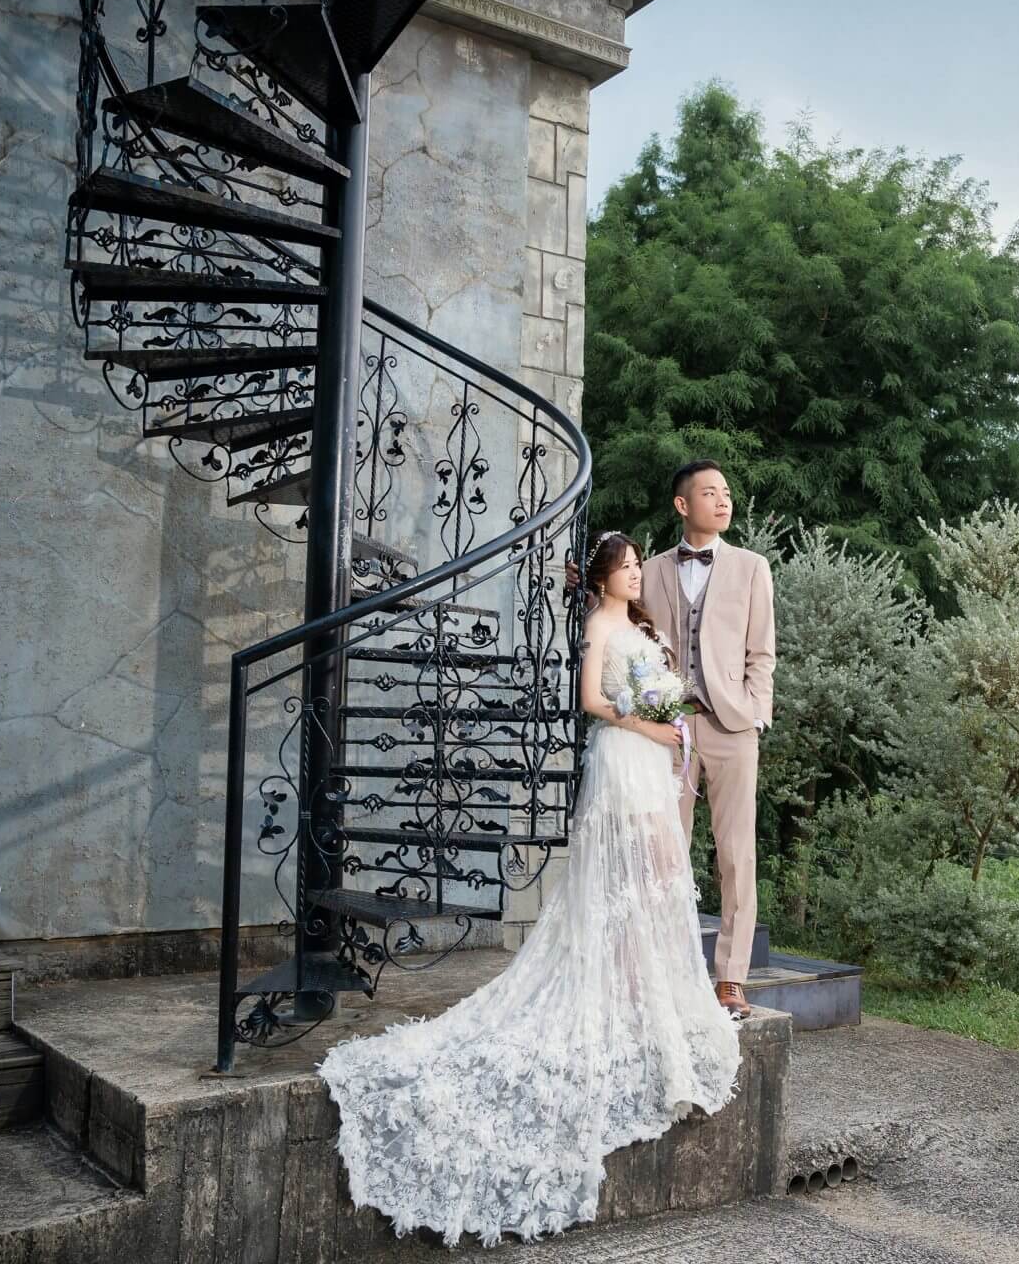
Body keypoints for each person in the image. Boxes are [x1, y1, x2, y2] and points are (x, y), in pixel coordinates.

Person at [317, 531, 741, 1247]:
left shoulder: (644, 626)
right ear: (602, 578)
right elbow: (590, 701)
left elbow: (663, 693)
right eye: (627, 567)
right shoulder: (600, 626)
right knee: (622, 886)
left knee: (659, 881)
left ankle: (651, 994)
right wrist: (651, 725)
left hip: (651, 763)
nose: (637, 574)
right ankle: (623, 995)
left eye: (640, 565)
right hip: (624, 757)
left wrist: (670, 719)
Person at [567, 461, 776, 1018]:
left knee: (736, 854)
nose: (723, 500)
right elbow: (619, 624)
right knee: (664, 852)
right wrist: (583, 587)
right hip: (666, 732)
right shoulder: (650, 569)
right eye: (710, 493)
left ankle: (731, 978)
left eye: (726, 492)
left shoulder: (752, 568)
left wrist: (755, 714)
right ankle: (665, 971)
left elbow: (762, 652)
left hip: (731, 727)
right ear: (683, 505)